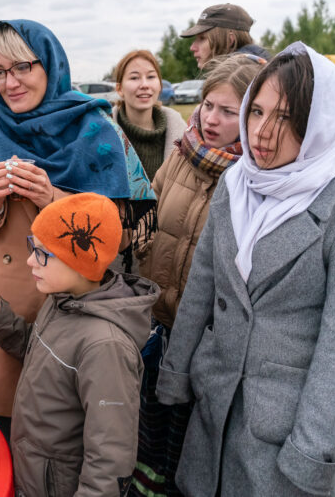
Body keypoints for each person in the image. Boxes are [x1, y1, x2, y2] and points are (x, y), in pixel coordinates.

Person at [156, 43, 335, 496]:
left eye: (284, 117)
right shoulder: (237, 181)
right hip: (211, 410)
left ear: (319, 120)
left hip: (281, 438)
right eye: (256, 111)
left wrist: (309, 457)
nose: (261, 132)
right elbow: (203, 285)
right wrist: (177, 375)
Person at [0, 19, 155, 438]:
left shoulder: (96, 129)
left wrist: (52, 197)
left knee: (57, 434)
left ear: (50, 64)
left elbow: (121, 231)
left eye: (22, 67)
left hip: (68, 306)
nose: (10, 82)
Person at [130, 54, 264, 497]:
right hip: (155, 323)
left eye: (228, 112)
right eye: (208, 105)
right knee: (147, 429)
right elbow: (150, 217)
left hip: (203, 337)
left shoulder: (256, 181)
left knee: (188, 444)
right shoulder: (182, 156)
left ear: (250, 117)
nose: (211, 119)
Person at [0, 193, 159, 496]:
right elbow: (43, 350)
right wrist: (1, 322)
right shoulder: (62, 301)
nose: (31, 260)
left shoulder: (106, 347)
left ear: (80, 263)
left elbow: (110, 458)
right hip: (33, 476)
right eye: (33, 247)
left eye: (42, 253)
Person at [112, 49, 187, 181]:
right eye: (134, 78)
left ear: (160, 86)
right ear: (119, 89)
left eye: (151, 77)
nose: (144, 85)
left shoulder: (183, 135)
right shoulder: (103, 132)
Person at [180, 3, 270, 69]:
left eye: (202, 38)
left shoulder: (235, 80)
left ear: (229, 40)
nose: (192, 47)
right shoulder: (259, 73)